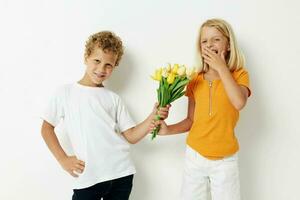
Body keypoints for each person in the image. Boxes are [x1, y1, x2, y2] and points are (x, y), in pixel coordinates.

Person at [41, 31, 169, 200]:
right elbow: (46, 128)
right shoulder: (65, 93)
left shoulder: (113, 99)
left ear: (115, 66)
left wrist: (153, 116)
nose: (102, 69)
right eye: (97, 61)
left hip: (121, 174)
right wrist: (63, 159)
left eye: (109, 65)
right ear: (86, 57)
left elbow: (131, 136)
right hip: (89, 177)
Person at [154, 19, 251, 200]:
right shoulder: (195, 79)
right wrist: (167, 130)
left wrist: (222, 68)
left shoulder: (239, 75)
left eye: (216, 39)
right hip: (195, 156)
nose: (209, 45)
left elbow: (239, 102)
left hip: (225, 160)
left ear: (228, 44)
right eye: (204, 41)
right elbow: (191, 121)